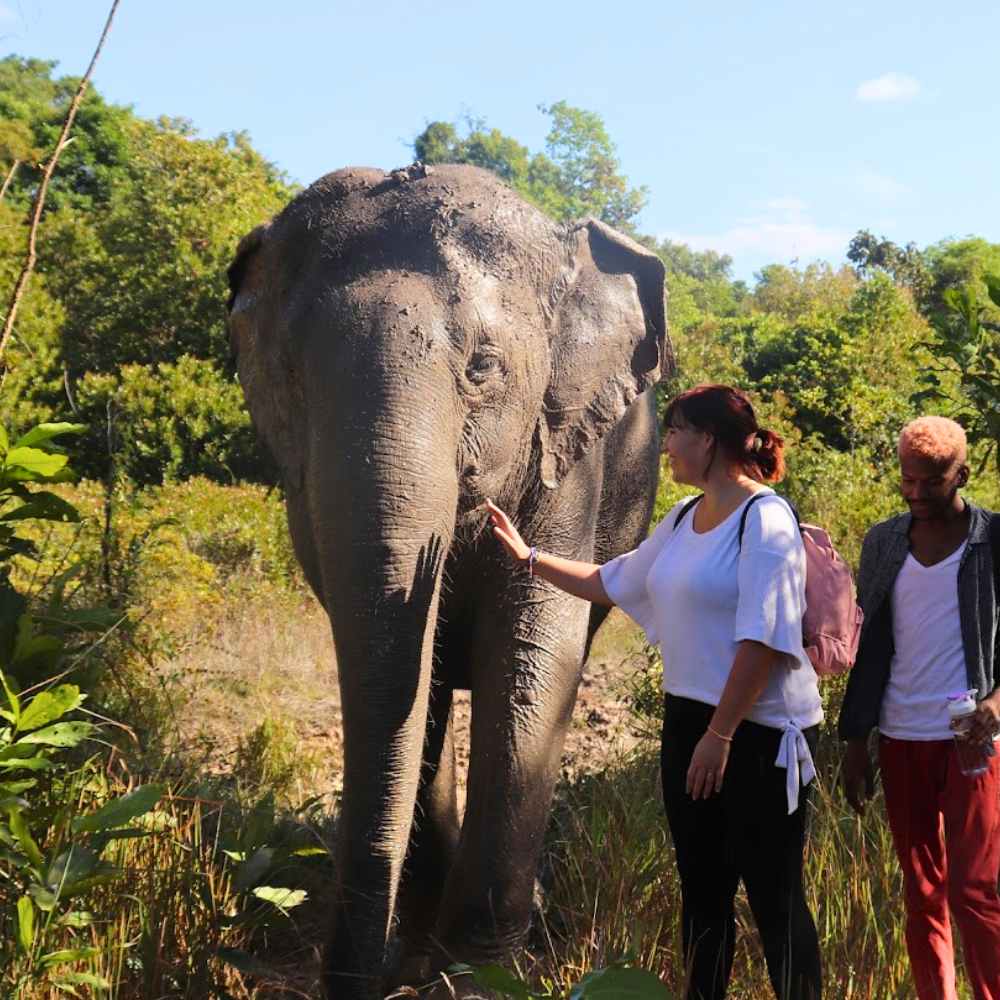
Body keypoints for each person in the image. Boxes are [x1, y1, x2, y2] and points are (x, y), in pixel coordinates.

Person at [487, 383, 822, 1000]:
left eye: (674, 431)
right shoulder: (682, 519)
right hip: (689, 721)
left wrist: (720, 736)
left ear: (710, 440)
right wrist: (527, 556)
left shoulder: (766, 519)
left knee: (775, 900)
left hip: (758, 734)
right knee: (702, 893)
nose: (665, 444)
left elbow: (765, 640)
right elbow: (610, 582)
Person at [839, 415, 1000, 1000]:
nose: (915, 493)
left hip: (970, 739)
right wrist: (858, 741)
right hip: (900, 735)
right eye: (907, 480)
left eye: (930, 482)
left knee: (975, 889)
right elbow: (869, 644)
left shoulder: (993, 540)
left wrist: (996, 703)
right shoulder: (883, 542)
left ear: (962, 472)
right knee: (921, 889)